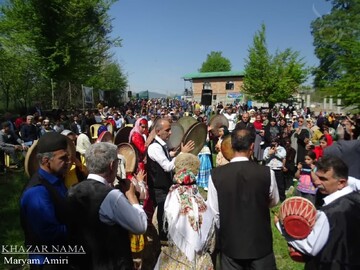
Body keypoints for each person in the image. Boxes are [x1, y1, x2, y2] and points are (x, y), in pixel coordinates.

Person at [66, 142, 147, 270]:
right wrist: (132, 197)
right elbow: (140, 226)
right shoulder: (111, 196)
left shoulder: (73, 190)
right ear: (111, 165)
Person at [207, 128, 279, 270]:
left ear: (231, 146)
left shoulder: (216, 175)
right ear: (252, 147)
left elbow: (214, 213)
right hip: (259, 242)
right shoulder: (266, 172)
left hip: (231, 243)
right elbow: (274, 201)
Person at [276, 156, 360, 269]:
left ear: (341, 183)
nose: (317, 182)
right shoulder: (356, 199)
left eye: (323, 179)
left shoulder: (329, 213)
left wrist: (282, 228)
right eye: (317, 176)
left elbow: (310, 247)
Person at [155, 153, 215, 269]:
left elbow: (159, 231)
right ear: (195, 173)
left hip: (173, 260)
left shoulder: (167, 202)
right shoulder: (202, 202)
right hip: (200, 261)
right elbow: (211, 241)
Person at [20, 132, 71, 268]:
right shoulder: (37, 192)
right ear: (45, 161)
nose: (68, 161)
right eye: (63, 158)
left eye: (68, 157)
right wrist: (83, 225)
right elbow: (50, 234)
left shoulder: (56, 179)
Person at [146, 119, 194, 243]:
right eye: (167, 130)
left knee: (166, 211)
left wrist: (176, 153)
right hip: (158, 187)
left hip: (163, 185)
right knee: (162, 212)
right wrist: (182, 154)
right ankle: (163, 239)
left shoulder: (161, 145)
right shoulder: (155, 147)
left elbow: (167, 156)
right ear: (158, 131)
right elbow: (167, 166)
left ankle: (166, 234)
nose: (171, 132)